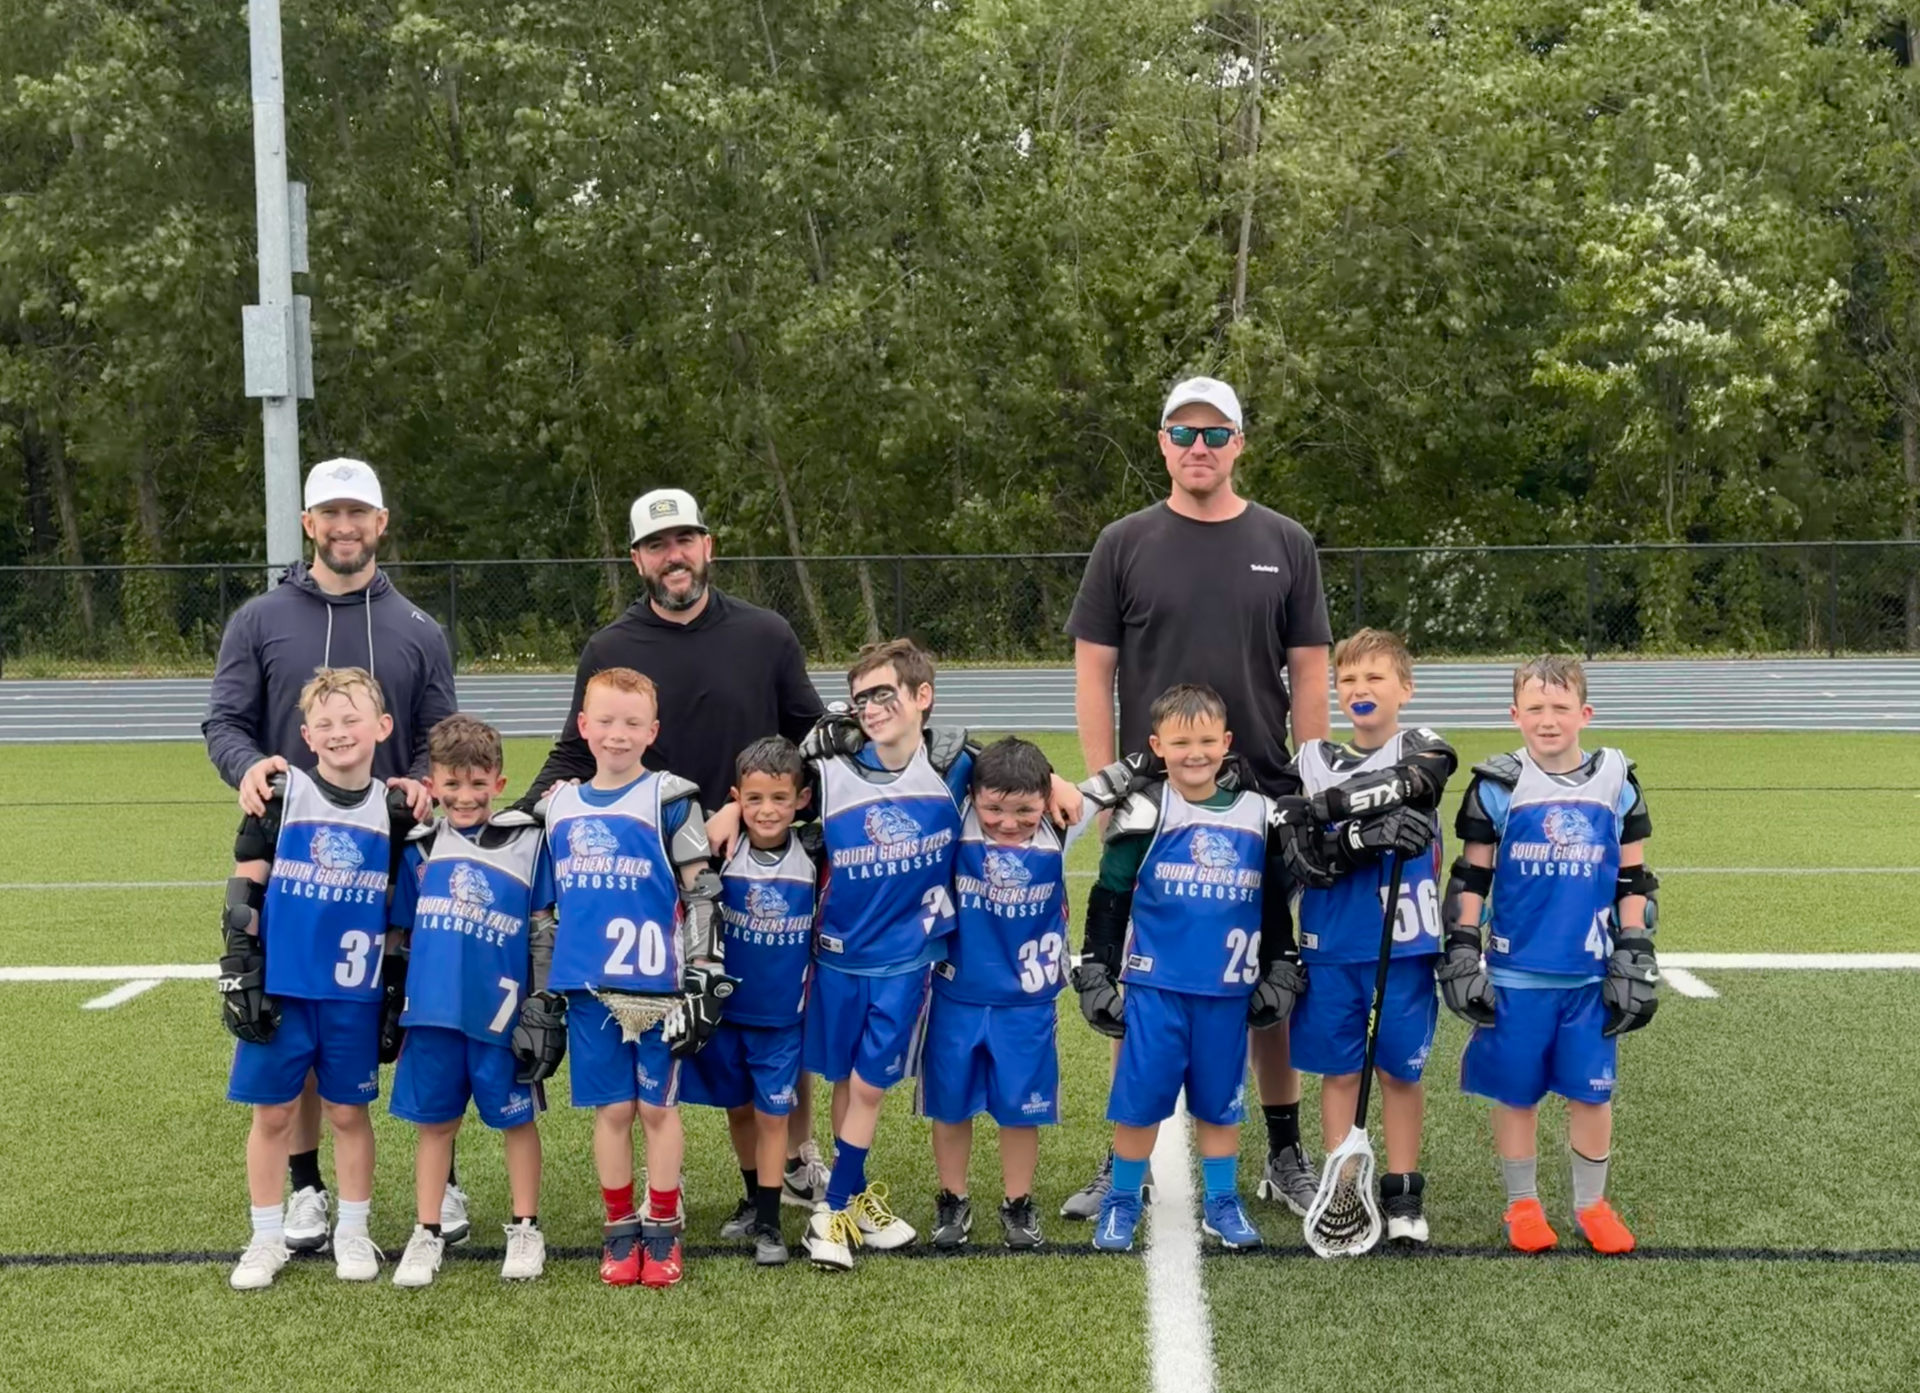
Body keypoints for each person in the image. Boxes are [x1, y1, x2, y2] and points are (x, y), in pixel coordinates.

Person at [1064, 376, 1332, 1220]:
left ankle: (1284, 1151)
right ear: (1162, 443)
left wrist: (1311, 784)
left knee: (1267, 974)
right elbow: (1094, 670)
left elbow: (1311, 669)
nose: (1200, 447)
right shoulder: (1124, 541)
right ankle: (1124, 1164)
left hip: (1260, 792)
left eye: (1216, 433)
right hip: (1152, 797)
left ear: (1239, 443)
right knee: (1140, 977)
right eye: (1184, 432)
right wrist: (1108, 786)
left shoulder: (1285, 541)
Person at [518, 487, 829, 1204]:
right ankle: (670, 1176)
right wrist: (511, 820)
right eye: (657, 545)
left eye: (685, 539)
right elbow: (573, 752)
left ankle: (797, 1155)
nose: (674, 555)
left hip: (753, 862)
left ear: (707, 546)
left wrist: (738, 808)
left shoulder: (766, 634)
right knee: (666, 1026)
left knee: (774, 1014)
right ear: (637, 560)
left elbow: (809, 742)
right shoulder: (610, 649)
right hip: (650, 880)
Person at [203, 457, 457, 1252]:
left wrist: (423, 781)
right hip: (299, 857)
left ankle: (440, 1175)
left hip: (392, 852)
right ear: (309, 523)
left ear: (381, 523)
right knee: (297, 1011)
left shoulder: (419, 628)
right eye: (330, 513)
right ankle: (307, 1186)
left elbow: (439, 734)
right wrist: (248, 767)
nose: (345, 527)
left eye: (359, 513)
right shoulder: (259, 619)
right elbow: (224, 721)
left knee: (408, 1006)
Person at [1438, 656, 1659, 1255]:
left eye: (1561, 707)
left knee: (1593, 1093)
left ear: (1585, 713)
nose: (1548, 719)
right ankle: (1523, 1204)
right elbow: (1472, 878)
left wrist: (1635, 948)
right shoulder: (1497, 785)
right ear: (1516, 715)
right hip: (1516, 975)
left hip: (1589, 976)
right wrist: (1462, 948)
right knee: (1516, 1094)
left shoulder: (1617, 781)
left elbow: (1634, 880)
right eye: (1535, 707)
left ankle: (1591, 1204)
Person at [1072, 684, 1302, 1253]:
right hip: (1156, 988)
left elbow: (1272, 903)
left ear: (1226, 742)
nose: (1194, 753)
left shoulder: (1258, 813)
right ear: (1157, 746)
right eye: (1180, 742)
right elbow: (1110, 898)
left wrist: (1281, 961)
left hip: (1226, 991)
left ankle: (1221, 1202)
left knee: (1220, 1104)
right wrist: (1097, 970)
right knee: (1140, 1102)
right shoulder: (1147, 810)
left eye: (1205, 741)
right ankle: (1123, 1199)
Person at [222, 668, 417, 1289]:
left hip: (353, 996)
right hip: (284, 987)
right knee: (272, 1114)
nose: (339, 733)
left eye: (351, 719)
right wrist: (240, 967)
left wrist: (394, 986)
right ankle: (265, 1237)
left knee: (349, 1112)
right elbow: (244, 891)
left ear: (382, 727)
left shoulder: (395, 811)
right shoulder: (283, 796)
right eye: (325, 723)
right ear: (306, 736)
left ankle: (354, 1230)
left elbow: (398, 911)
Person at [540, 667, 726, 1288]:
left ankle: (663, 1226)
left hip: (659, 986)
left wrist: (705, 972)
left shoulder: (670, 798)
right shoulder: (557, 806)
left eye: (631, 722)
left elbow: (701, 890)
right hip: (589, 987)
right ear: (583, 726)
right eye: (605, 721)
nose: (617, 734)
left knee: (657, 1108)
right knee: (613, 1110)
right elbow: (542, 908)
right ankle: (620, 1229)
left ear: (652, 730)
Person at [794, 639, 972, 1271]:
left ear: (922, 696)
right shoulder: (828, 769)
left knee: (870, 1087)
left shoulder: (956, 768)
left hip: (905, 961)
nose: (870, 708)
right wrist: (734, 809)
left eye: (883, 694)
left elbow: (1023, 775)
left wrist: (1057, 782)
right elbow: (768, 789)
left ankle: (831, 1212)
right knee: (847, 1081)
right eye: (861, 698)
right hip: (836, 956)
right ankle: (855, 1197)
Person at [1281, 629, 1457, 1245]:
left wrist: (1325, 815)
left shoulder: (1421, 747)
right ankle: (1345, 1186)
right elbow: (1298, 848)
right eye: (1349, 679)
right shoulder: (1311, 760)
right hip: (1331, 944)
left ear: (1404, 688)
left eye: (1376, 677)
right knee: (1340, 1072)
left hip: (1402, 945)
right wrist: (1346, 834)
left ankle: (1403, 1191)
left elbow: (1412, 784)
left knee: (1400, 1073)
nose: (1361, 688)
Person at [385, 714, 555, 1287]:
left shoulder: (528, 843)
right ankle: (427, 1230)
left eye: (478, 783)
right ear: (432, 783)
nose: (465, 796)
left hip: (501, 1016)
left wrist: (543, 1003)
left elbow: (542, 928)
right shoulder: (419, 848)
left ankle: (526, 1226)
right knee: (435, 1126)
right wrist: (391, 1001)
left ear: (499, 783)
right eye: (452, 784)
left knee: (517, 1122)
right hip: (432, 1013)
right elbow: (401, 936)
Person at [919, 737, 1101, 1251]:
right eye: (994, 808)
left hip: (1027, 1003)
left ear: (1044, 800)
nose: (1007, 821)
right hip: (956, 993)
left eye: (1024, 809)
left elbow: (1115, 783)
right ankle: (953, 1198)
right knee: (950, 1106)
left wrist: (1057, 784)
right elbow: (940, 744)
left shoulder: (1059, 824)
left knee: (1021, 1109)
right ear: (974, 796)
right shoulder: (956, 818)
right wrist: (1042, 774)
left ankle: (1017, 1203)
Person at [682, 736, 819, 1268]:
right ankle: (751, 1196)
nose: (767, 810)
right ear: (738, 797)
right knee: (738, 1110)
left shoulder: (814, 850)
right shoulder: (721, 848)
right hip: (724, 1013)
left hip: (781, 1018)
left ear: (800, 799)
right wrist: (722, 815)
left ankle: (769, 1222)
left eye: (780, 798)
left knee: (772, 1116)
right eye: (754, 799)